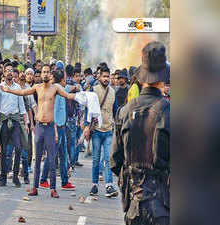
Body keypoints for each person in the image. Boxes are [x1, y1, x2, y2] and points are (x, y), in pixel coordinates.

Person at [111, 41, 170, 225]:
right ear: (164, 77)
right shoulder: (170, 111)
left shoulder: (124, 111)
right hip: (165, 206)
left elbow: (115, 161)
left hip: (134, 206)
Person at [0, 64, 76, 198]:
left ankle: (53, 188)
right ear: (41, 75)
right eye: (43, 72)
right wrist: (8, 90)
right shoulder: (37, 87)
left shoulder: (56, 88)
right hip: (39, 127)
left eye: (47, 72)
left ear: (50, 75)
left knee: (52, 159)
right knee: (37, 159)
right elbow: (22, 92)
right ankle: (35, 187)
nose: (45, 74)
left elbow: (68, 96)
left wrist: (85, 96)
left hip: (50, 128)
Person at [0, 62, 29, 187]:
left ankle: (16, 176)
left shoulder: (18, 87)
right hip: (4, 120)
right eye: (7, 70)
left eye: (11, 70)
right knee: (5, 150)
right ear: (4, 73)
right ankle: (3, 176)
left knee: (18, 148)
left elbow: (22, 107)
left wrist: (26, 123)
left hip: (16, 120)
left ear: (13, 73)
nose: (9, 72)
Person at [83, 66, 119, 198]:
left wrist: (119, 126)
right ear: (99, 77)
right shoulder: (94, 91)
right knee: (96, 159)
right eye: (104, 76)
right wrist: (87, 126)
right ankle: (94, 185)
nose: (106, 79)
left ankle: (109, 185)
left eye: (108, 76)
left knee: (108, 159)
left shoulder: (113, 92)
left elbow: (116, 111)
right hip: (97, 130)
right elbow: (88, 110)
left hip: (109, 130)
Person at [39, 70, 76, 191]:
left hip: (61, 127)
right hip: (56, 127)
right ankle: (43, 179)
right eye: (65, 79)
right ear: (61, 80)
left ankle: (65, 181)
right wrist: (54, 130)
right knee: (52, 155)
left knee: (63, 155)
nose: (66, 82)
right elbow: (53, 111)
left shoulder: (59, 89)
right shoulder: (57, 90)